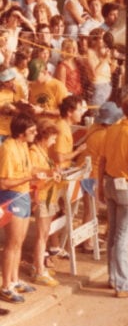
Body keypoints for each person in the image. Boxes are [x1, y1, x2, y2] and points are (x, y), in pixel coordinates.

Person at [98, 94, 128, 298]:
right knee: (122, 237)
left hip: (109, 182)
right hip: (126, 186)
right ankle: (124, 284)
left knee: (113, 234)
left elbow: (102, 160)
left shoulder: (112, 130)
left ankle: (114, 278)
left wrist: (100, 185)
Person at [0, 113, 44, 303]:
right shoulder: (8, 149)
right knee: (12, 243)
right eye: (31, 131)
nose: (35, 133)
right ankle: (6, 285)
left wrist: (48, 173)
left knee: (19, 242)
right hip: (12, 197)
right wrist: (29, 178)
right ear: (20, 133)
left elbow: (28, 170)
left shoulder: (24, 145)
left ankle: (15, 279)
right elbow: (4, 182)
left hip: (23, 195)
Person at [29, 119, 62, 287]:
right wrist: (50, 172)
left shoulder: (43, 151)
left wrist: (53, 172)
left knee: (45, 233)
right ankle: (38, 269)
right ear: (45, 136)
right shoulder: (35, 151)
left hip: (49, 196)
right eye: (53, 138)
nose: (54, 141)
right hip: (42, 197)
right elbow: (33, 172)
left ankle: (39, 264)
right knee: (41, 236)